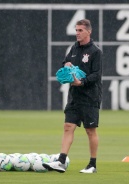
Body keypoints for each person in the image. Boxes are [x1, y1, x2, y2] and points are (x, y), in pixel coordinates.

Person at [43, 19, 103, 174]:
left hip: (90, 96)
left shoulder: (96, 52)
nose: (77, 33)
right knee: (68, 126)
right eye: (76, 30)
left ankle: (92, 165)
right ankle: (61, 162)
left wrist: (81, 82)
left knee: (90, 130)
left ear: (89, 32)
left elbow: (97, 75)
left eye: (80, 30)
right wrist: (66, 66)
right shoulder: (74, 48)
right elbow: (66, 62)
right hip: (74, 96)